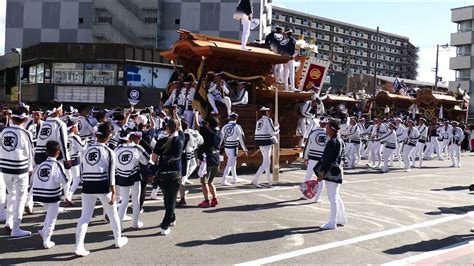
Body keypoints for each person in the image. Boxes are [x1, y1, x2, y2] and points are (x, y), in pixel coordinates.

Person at [75, 122, 127, 257]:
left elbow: (81, 170)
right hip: (104, 187)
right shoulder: (109, 151)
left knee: (84, 218)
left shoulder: (86, 149)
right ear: (109, 136)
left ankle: (78, 246)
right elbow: (111, 174)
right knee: (113, 214)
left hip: (87, 186)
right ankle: (118, 240)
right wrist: (114, 191)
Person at [0, 105, 35, 237]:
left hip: (5, 167)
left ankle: (9, 221)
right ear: (25, 119)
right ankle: (16, 227)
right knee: (20, 198)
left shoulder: (4, 131)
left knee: (11, 195)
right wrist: (30, 169)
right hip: (20, 168)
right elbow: (30, 153)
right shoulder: (25, 133)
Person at [151, 108, 184, 234]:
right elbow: (180, 127)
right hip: (175, 173)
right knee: (171, 199)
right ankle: (165, 225)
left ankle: (171, 218)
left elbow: (154, 159)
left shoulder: (160, 141)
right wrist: (175, 114)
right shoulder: (181, 139)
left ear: (167, 128)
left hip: (162, 173)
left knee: (168, 198)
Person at [31, 141, 68, 248]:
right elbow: (64, 180)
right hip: (52, 194)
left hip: (39, 194)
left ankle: (43, 231)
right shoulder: (57, 165)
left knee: (49, 213)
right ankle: (47, 239)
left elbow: (33, 178)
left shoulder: (41, 164)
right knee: (52, 217)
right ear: (58, 152)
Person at [115, 130, 150, 230]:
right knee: (136, 200)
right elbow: (145, 161)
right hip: (134, 176)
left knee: (124, 201)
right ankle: (135, 223)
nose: (138, 140)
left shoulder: (117, 148)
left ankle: (119, 226)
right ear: (131, 138)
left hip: (121, 177)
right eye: (137, 138)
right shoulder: (137, 148)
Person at [316, 118, 347, 230]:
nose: (326, 128)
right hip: (337, 170)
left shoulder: (333, 141)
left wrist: (321, 173)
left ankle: (332, 222)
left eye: (328, 126)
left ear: (332, 129)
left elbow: (328, 160)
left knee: (332, 198)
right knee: (336, 196)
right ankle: (340, 218)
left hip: (332, 171)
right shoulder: (338, 140)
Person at [195, 112, 222, 207]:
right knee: (210, 182)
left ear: (208, 124)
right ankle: (214, 199)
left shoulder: (206, 132)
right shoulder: (219, 133)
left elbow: (197, 126)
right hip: (216, 160)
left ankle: (206, 201)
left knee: (204, 182)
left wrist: (195, 115)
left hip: (207, 161)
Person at [35, 101, 70, 166]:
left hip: (39, 156)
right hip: (53, 157)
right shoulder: (60, 124)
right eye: (61, 109)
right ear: (57, 111)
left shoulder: (44, 123)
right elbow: (63, 142)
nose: (62, 110)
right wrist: (67, 159)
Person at [302, 117, 329, 203]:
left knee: (308, 176)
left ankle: (305, 195)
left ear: (319, 123)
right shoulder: (329, 134)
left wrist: (305, 157)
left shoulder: (313, 133)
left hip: (312, 159)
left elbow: (307, 146)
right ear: (326, 124)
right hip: (322, 160)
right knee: (321, 179)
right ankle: (317, 198)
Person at [252, 107, 279, 188]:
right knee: (266, 163)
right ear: (267, 112)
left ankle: (269, 180)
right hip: (266, 142)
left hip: (260, 142)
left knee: (267, 161)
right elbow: (272, 132)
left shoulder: (258, 121)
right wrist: (277, 128)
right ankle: (255, 180)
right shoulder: (268, 119)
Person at [220, 112, 248, 186]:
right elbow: (241, 138)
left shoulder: (224, 126)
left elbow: (221, 138)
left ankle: (235, 178)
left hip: (226, 147)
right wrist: (244, 148)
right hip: (233, 147)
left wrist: (219, 146)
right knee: (230, 164)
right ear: (236, 118)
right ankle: (224, 180)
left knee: (233, 163)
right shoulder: (237, 127)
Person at [64, 118, 87, 206]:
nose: (77, 128)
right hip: (74, 159)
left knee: (68, 178)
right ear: (73, 128)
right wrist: (85, 141)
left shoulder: (65, 136)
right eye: (76, 127)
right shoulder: (75, 137)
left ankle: (66, 195)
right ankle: (69, 196)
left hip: (65, 159)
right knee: (76, 179)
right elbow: (82, 148)